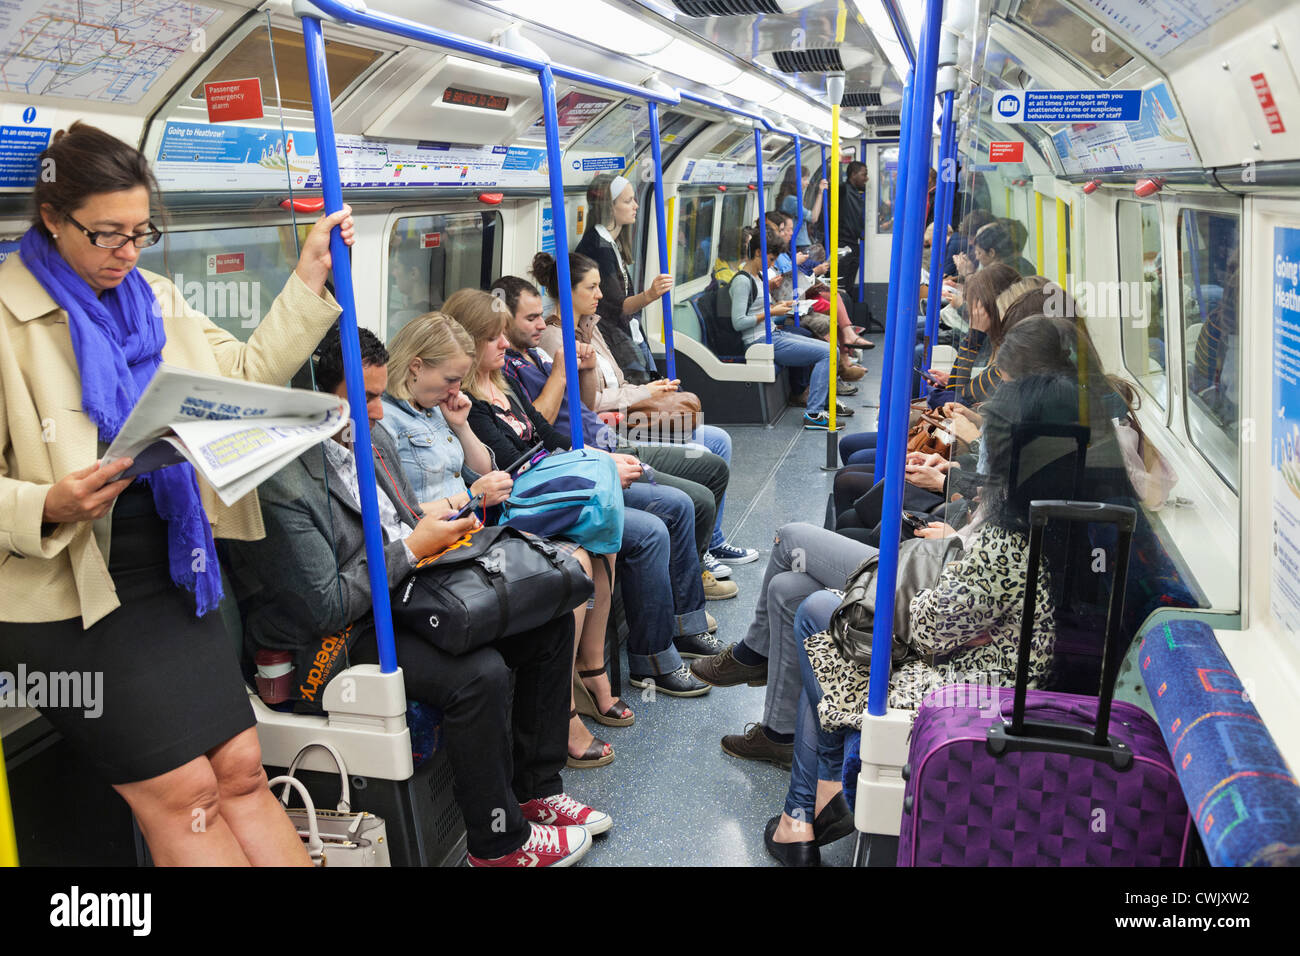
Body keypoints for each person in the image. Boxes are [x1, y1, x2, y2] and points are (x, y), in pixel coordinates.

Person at [0, 121, 350, 866]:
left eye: (141, 232)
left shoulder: (156, 298)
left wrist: (309, 278)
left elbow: (246, 376)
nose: (127, 252)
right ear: (54, 219)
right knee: (186, 793)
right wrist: (47, 505)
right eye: (107, 235)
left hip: (171, 574)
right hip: (63, 596)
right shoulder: (4, 319)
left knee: (243, 774)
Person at [227, 326, 606, 867]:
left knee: (546, 625)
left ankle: (535, 791)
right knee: (480, 676)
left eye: (380, 396)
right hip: (330, 640)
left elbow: (403, 523)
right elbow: (326, 604)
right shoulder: (282, 483)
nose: (379, 413)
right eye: (365, 399)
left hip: (401, 593)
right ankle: (497, 844)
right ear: (313, 397)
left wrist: (443, 531)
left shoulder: (369, 440)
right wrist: (411, 548)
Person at [440, 287, 716, 698]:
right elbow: (517, 468)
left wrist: (600, 463)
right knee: (654, 526)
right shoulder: (470, 404)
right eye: (493, 337)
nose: (504, 343)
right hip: (537, 501)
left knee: (682, 498)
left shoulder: (505, 383)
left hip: (576, 470)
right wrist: (601, 465)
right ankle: (651, 659)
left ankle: (678, 627)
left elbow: (549, 436)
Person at [378, 311, 620, 768]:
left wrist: (462, 425)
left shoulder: (434, 409)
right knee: (565, 572)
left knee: (573, 571)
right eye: (450, 379)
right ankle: (563, 718)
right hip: (432, 556)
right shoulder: (385, 425)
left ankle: (559, 731)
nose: (457, 389)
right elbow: (402, 513)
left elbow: (488, 473)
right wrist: (468, 495)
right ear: (414, 367)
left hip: (472, 537)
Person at [494, 269, 757, 583]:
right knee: (692, 495)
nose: (600, 295)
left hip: (607, 434)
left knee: (713, 458)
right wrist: (638, 393)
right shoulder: (525, 358)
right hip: (602, 440)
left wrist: (588, 369)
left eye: (540, 316)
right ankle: (693, 575)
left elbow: (586, 403)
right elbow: (541, 427)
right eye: (591, 287)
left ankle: (700, 557)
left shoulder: (550, 347)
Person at [728, 232, 843, 429]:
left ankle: (824, 404)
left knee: (833, 349)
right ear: (757, 252)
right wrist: (772, 311)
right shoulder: (742, 281)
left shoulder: (759, 276)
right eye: (771, 259)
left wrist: (781, 304)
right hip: (759, 341)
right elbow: (738, 322)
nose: (772, 265)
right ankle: (814, 414)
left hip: (772, 334)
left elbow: (761, 309)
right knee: (829, 353)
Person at [575, 172, 669, 385]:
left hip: (627, 332)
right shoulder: (598, 248)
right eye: (628, 201)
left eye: (635, 199)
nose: (636, 205)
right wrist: (650, 294)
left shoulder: (610, 243)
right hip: (613, 337)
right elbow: (620, 306)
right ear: (609, 207)